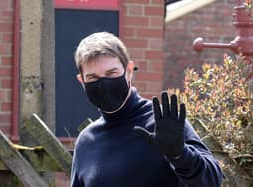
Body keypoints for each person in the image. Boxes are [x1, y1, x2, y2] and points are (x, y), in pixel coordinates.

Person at [71, 32, 223, 187]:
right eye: (93, 78)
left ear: (129, 71)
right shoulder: (86, 142)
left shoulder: (163, 123)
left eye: (112, 73)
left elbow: (212, 181)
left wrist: (180, 155)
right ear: (82, 81)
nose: (103, 83)